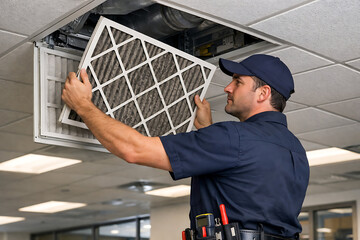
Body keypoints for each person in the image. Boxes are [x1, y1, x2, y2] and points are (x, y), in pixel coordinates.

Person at [62, 54, 309, 240]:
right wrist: (207, 130)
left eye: (238, 81)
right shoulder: (295, 149)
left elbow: (133, 150)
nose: (227, 88)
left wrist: (83, 105)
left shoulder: (234, 137)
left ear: (263, 93)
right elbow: (246, 190)